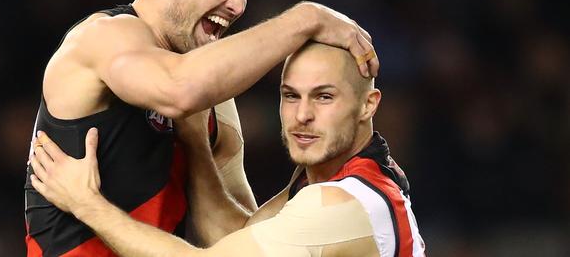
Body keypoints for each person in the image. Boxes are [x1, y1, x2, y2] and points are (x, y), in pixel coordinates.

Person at [23, 0, 379, 256]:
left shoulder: (213, 91)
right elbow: (178, 89)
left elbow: (233, 239)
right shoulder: (103, 37)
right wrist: (306, 18)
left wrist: (196, 148)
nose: (239, 5)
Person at [30, 42, 426, 257]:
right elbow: (233, 237)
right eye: (291, 96)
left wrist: (85, 203)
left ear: (369, 104)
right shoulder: (337, 177)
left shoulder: (340, 203)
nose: (302, 115)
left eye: (324, 98)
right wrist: (195, 139)